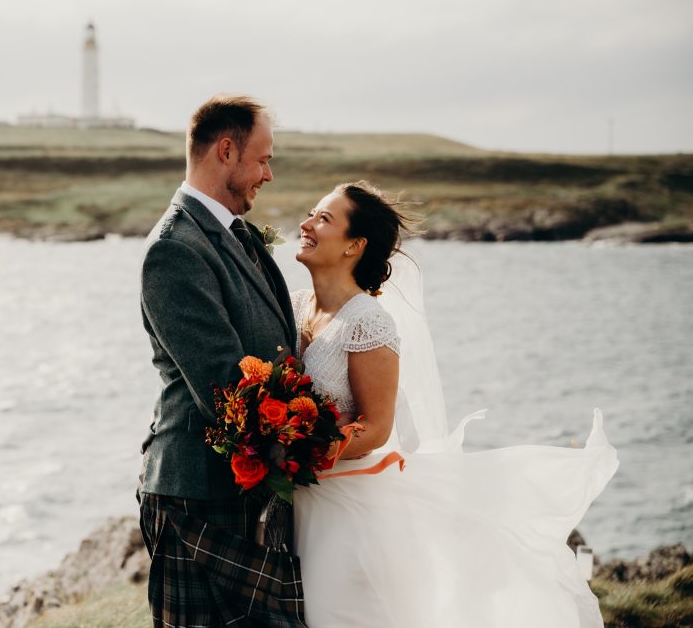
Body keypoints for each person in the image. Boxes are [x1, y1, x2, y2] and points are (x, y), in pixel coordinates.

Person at [290, 181, 619, 628]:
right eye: (312, 214)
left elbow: (376, 427)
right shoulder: (296, 306)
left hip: (345, 510)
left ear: (355, 245)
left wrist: (299, 453)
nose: (306, 225)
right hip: (296, 504)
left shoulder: (366, 320)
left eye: (323, 218)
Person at [138, 94, 302, 627]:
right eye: (263, 158)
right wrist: (319, 435)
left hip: (244, 489)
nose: (268, 174)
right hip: (198, 496)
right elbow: (224, 386)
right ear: (226, 151)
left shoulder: (238, 234)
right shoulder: (176, 249)